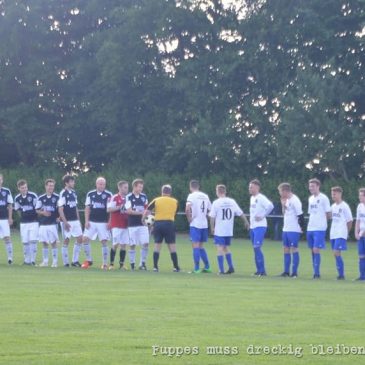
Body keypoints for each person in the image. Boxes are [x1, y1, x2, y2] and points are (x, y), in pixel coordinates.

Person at [209, 184, 249, 275]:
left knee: (219, 248)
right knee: (226, 247)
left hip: (220, 230)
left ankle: (221, 270)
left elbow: (212, 217)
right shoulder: (232, 201)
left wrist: (212, 227)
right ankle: (231, 267)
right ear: (225, 191)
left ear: (218, 192)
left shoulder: (216, 202)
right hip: (228, 230)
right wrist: (246, 222)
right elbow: (240, 213)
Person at [145, 184, 180, 273]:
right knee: (172, 246)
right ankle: (175, 267)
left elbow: (147, 211)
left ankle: (155, 267)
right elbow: (175, 213)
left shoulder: (156, 200)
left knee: (157, 245)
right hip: (169, 224)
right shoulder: (175, 201)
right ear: (170, 192)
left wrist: (145, 221)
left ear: (162, 192)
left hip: (158, 224)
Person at [82, 177, 112, 270]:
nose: (101, 185)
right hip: (91, 221)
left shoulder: (108, 194)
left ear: (105, 185)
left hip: (103, 222)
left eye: (103, 184)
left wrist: (110, 222)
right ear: (96, 184)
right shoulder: (90, 194)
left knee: (104, 241)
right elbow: (87, 208)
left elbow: (111, 210)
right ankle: (89, 260)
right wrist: (86, 221)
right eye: (100, 184)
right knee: (85, 239)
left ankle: (105, 263)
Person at [277, 183, 304, 278]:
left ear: (285, 191)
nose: (279, 193)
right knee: (286, 249)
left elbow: (300, 215)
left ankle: (294, 273)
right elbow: (284, 213)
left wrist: (301, 227)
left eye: (280, 191)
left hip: (294, 229)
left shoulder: (295, 200)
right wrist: (283, 205)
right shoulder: (286, 200)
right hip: (286, 229)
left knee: (294, 249)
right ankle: (286, 272)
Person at [185, 180, 212, 274]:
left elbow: (187, 208)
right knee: (201, 246)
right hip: (204, 224)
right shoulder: (205, 196)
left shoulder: (191, 196)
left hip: (195, 224)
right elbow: (210, 211)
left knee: (195, 246)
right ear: (198, 187)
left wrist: (189, 218)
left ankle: (196, 269)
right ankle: (207, 267)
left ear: (190, 187)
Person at [306, 178, 331, 279]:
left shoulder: (324, 198)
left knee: (316, 249)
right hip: (310, 227)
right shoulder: (310, 198)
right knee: (312, 250)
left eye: (313, 186)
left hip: (319, 228)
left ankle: (317, 273)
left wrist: (322, 222)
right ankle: (315, 271)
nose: (311, 188)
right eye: (310, 186)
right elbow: (311, 213)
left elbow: (328, 213)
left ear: (318, 186)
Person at [248, 179, 274, 277]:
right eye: (249, 187)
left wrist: (263, 216)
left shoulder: (261, 197)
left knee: (257, 247)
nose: (250, 189)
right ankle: (258, 270)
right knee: (255, 249)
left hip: (260, 226)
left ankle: (263, 271)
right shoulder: (252, 198)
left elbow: (270, 206)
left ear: (257, 187)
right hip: (253, 226)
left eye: (251, 187)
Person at [58, 175, 84, 267]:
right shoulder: (63, 193)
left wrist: (79, 220)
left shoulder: (73, 193)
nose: (73, 183)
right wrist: (65, 222)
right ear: (66, 183)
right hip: (67, 221)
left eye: (73, 181)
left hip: (75, 220)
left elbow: (75, 207)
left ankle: (75, 261)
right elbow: (60, 209)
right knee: (66, 240)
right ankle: (66, 263)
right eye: (71, 181)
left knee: (80, 238)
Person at [125, 179, 149, 270]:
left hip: (143, 224)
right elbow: (129, 211)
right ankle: (132, 264)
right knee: (132, 244)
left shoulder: (144, 196)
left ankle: (142, 263)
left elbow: (147, 210)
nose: (141, 189)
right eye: (139, 187)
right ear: (134, 186)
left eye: (142, 187)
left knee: (145, 243)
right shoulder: (128, 197)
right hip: (132, 224)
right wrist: (141, 213)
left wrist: (146, 216)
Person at [330, 186, 353, 280]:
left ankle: (341, 275)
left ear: (340, 194)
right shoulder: (333, 206)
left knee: (336, 252)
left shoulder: (344, 206)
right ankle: (340, 274)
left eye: (334, 194)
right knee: (336, 254)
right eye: (332, 194)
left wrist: (346, 232)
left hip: (341, 233)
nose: (333, 196)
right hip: (333, 233)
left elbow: (350, 221)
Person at [14, 179, 39, 265]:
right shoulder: (17, 198)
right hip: (24, 223)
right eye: (22, 188)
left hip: (34, 222)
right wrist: (23, 217)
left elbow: (38, 208)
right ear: (19, 188)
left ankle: (33, 260)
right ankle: (26, 260)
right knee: (25, 241)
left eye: (25, 187)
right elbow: (18, 210)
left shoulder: (33, 196)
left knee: (33, 240)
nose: (24, 189)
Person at [36, 179, 60, 267]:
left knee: (53, 242)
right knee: (44, 243)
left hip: (53, 223)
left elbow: (61, 209)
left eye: (52, 186)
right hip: (43, 223)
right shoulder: (41, 198)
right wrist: (43, 213)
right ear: (46, 186)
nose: (51, 187)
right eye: (49, 185)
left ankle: (55, 262)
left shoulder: (57, 197)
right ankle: (45, 262)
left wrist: (60, 217)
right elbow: (37, 210)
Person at [107, 180, 129, 270]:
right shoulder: (115, 197)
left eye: (127, 187)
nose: (127, 189)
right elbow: (109, 209)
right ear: (119, 188)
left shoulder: (128, 198)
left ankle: (122, 264)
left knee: (123, 244)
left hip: (125, 224)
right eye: (125, 187)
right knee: (115, 244)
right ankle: (111, 264)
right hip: (116, 224)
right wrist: (119, 207)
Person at [0, 173, 14, 264]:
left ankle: (10, 258)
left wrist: (10, 217)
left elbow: (10, 205)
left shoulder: (6, 191)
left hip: (4, 218)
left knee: (7, 238)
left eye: (0, 179)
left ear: (2, 180)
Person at [354, 188, 365, 281]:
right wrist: (356, 232)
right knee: (361, 256)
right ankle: (362, 276)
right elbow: (358, 220)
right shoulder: (359, 206)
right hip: (361, 235)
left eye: (361, 195)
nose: (359, 197)